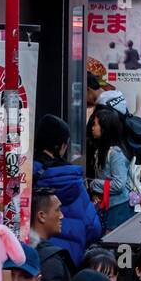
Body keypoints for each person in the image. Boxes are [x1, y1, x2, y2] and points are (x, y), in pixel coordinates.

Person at [32, 115, 102, 268]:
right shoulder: (73, 181)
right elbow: (94, 229)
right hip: (68, 262)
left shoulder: (25, 176)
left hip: (32, 260)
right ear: (62, 146)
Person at [86, 105, 135, 231]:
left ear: (105, 128)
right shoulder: (101, 151)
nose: (92, 128)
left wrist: (94, 184)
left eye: (95, 124)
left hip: (119, 209)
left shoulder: (115, 153)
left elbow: (119, 184)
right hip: (110, 206)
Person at [29, 187, 73, 281]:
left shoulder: (21, 249)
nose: (62, 216)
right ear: (42, 216)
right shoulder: (51, 260)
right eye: (57, 210)